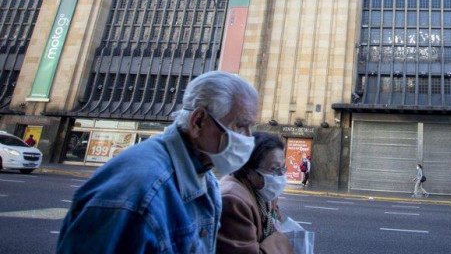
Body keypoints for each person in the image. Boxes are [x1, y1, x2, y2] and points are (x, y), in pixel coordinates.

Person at [56, 71, 259, 253]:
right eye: (241, 126)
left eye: (251, 127)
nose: (249, 138)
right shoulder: (139, 193)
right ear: (198, 121)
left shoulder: (205, 177)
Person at [217, 132, 293, 253]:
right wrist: (282, 241)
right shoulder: (232, 200)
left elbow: (275, 221)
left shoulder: (266, 191)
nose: (280, 176)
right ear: (248, 169)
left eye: (283, 168)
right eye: (274, 169)